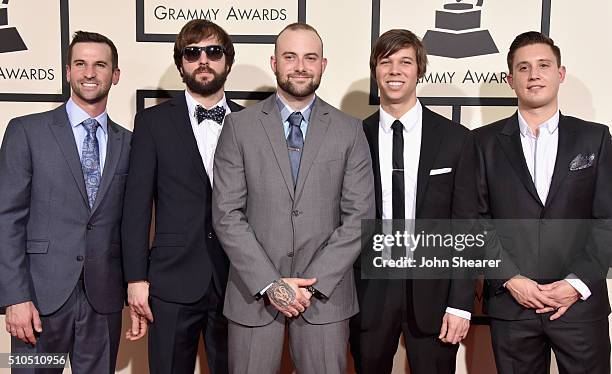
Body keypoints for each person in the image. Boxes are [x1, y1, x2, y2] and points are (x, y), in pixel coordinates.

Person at [212, 22, 375, 373]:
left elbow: (360, 216)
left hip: (324, 298)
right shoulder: (239, 127)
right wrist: (272, 285)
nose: (300, 66)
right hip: (253, 295)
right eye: (290, 56)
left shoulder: (349, 129)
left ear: (323, 65)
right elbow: (226, 214)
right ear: (274, 63)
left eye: (309, 57)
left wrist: (309, 287)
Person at [475, 31, 611, 374]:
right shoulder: (483, 143)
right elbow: (476, 220)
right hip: (512, 305)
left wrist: (575, 283)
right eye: (524, 67)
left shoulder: (596, 137)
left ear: (559, 74)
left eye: (543, 65)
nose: (534, 74)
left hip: (580, 305)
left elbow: (608, 219)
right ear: (510, 79)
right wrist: (511, 279)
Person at [349, 29, 478, 374]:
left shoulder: (456, 139)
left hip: (435, 291)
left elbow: (467, 225)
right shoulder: (353, 136)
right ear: (375, 70)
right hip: (369, 291)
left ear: (419, 70)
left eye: (405, 62)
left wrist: (461, 305)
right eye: (385, 62)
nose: (395, 70)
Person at [0, 31, 129, 373]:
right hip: (38, 298)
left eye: (100, 65)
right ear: (67, 71)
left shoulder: (130, 143)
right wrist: (14, 297)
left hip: (103, 299)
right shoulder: (26, 131)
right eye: (81, 64)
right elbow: (6, 218)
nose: (90, 73)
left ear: (114, 75)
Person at [121, 19, 242, 374]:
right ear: (181, 64)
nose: (203, 60)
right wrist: (135, 279)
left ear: (227, 61)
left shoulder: (252, 124)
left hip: (236, 281)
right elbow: (136, 209)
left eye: (214, 51)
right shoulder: (152, 123)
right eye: (192, 53)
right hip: (170, 282)